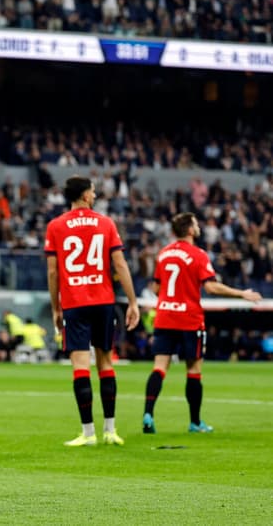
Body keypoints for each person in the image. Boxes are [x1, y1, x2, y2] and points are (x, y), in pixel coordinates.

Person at [142, 212, 261, 434]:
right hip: (189, 319)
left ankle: (148, 414)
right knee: (194, 370)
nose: (198, 227)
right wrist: (241, 294)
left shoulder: (164, 254)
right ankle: (195, 422)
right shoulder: (198, 255)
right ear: (189, 230)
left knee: (159, 367)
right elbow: (211, 287)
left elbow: (156, 288)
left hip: (165, 316)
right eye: (196, 224)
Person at [45, 176, 140, 447]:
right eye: (94, 192)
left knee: (80, 366)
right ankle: (110, 430)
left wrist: (56, 306)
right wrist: (132, 302)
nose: (95, 196)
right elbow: (120, 266)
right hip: (103, 301)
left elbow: (53, 271)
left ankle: (88, 434)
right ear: (85, 195)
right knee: (106, 362)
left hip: (75, 302)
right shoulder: (106, 223)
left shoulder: (56, 226)